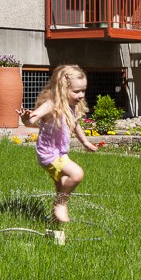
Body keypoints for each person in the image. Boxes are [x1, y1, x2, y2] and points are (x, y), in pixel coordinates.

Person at [17, 63, 98, 223]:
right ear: (62, 89)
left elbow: (75, 124)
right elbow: (32, 119)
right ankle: (60, 204)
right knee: (76, 174)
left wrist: (85, 142)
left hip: (60, 154)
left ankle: (56, 224)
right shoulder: (52, 104)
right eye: (76, 91)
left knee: (62, 186)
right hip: (49, 154)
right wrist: (26, 117)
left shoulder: (72, 106)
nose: (81, 95)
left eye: (83, 90)